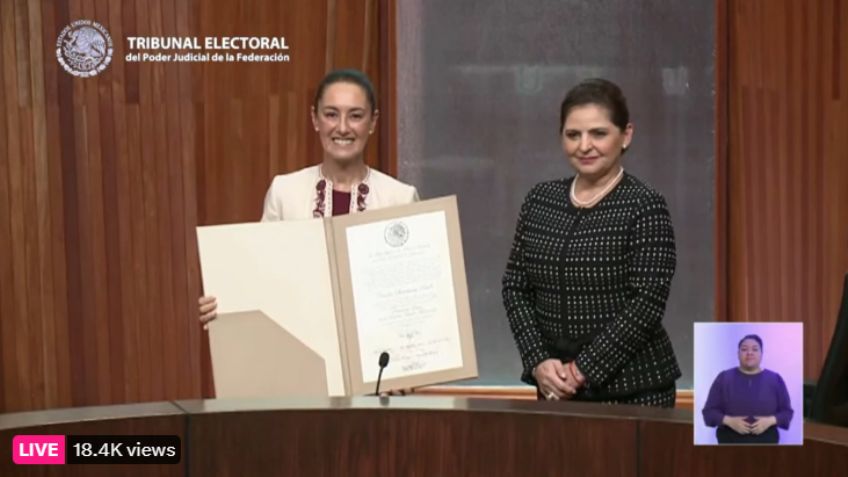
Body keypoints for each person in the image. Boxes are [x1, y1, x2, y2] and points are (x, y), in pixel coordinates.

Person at [502, 78, 681, 407]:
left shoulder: (645, 205)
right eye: (573, 135)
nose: (584, 146)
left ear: (625, 135)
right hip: (554, 388)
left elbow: (647, 303)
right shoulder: (541, 200)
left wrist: (581, 371)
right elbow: (515, 287)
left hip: (635, 393)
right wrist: (538, 361)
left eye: (598, 133)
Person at [199, 68, 419, 323]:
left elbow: (413, 292)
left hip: (376, 349)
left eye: (356, 116)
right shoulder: (284, 192)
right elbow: (260, 276)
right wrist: (223, 306)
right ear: (315, 119)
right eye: (331, 114)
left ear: (372, 122)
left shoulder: (401, 198)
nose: (343, 127)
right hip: (300, 346)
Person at [702, 335, 793, 444]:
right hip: (729, 442)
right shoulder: (724, 378)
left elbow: (787, 413)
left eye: (755, 349)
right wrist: (729, 421)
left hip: (767, 443)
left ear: (761, 354)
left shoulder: (775, 379)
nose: (749, 352)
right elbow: (708, 412)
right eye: (744, 349)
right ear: (738, 354)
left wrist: (770, 421)